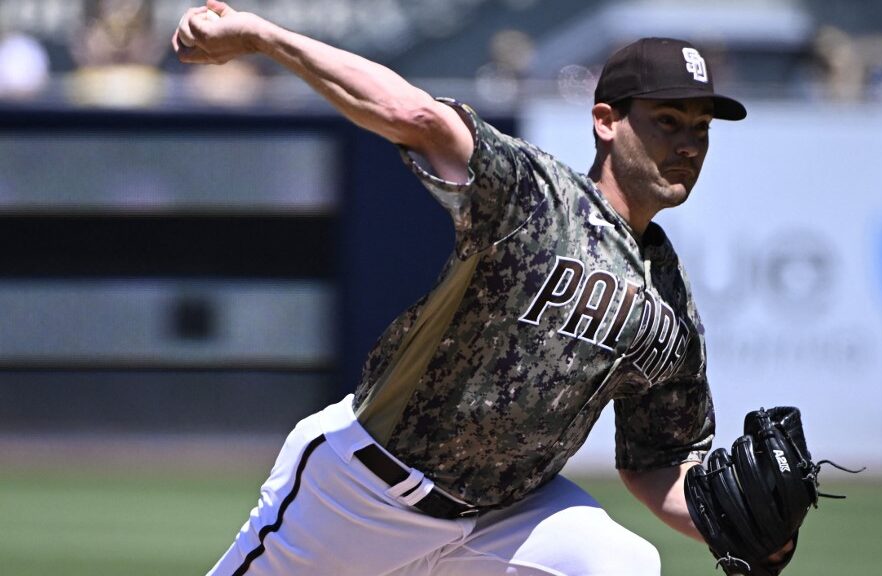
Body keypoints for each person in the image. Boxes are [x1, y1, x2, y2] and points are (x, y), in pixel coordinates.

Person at [174, 2, 784, 574]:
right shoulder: (537, 197)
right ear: (606, 121)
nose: (687, 144)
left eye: (701, 129)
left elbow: (657, 462)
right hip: (362, 493)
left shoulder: (666, 297)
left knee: (624, 566)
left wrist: (744, 528)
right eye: (668, 121)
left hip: (503, 519)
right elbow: (415, 116)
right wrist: (262, 36)